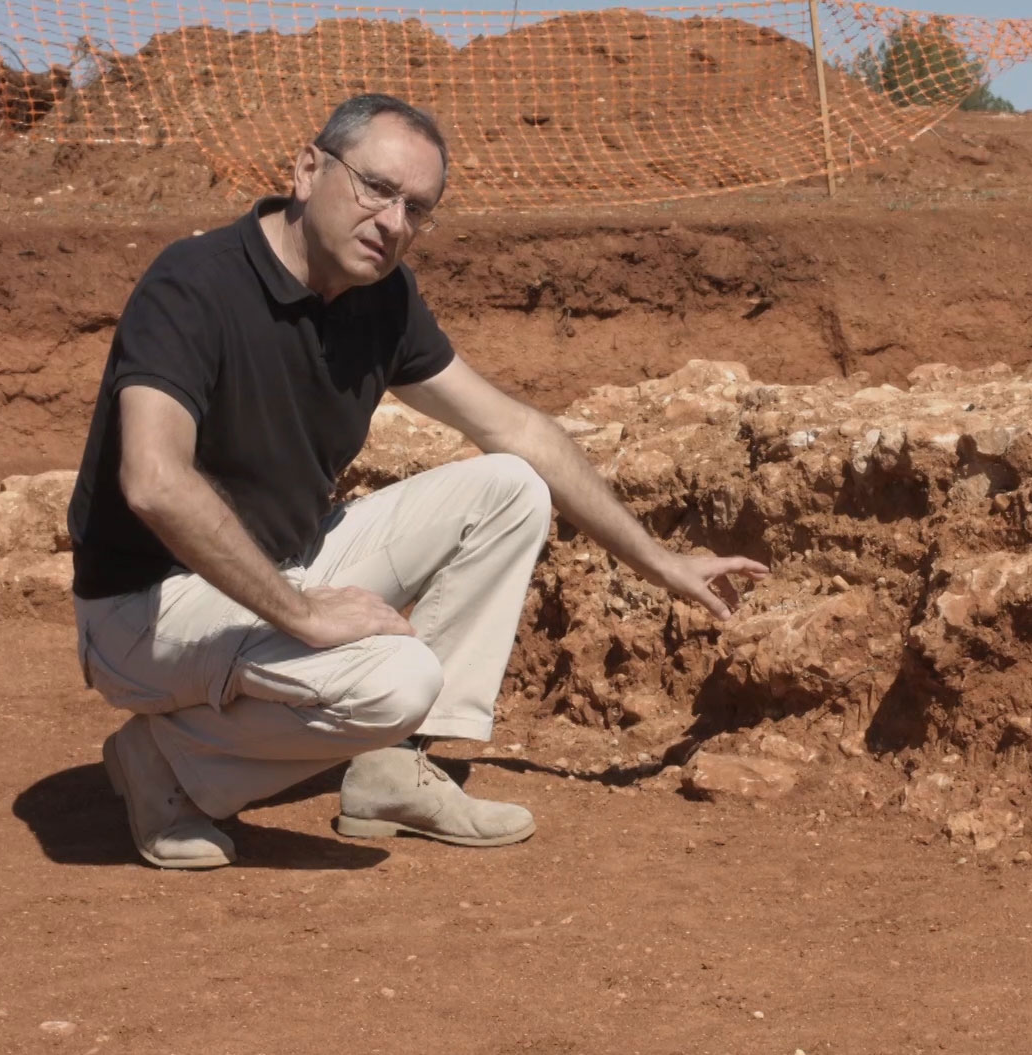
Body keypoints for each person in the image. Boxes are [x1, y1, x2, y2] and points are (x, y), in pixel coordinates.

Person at [66, 93, 768, 869]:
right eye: (376, 188)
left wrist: (662, 562)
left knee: (509, 486)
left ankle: (391, 770)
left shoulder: (382, 298)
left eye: (417, 209)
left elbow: (519, 429)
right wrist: (301, 613)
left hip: (283, 564)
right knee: (400, 681)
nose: (394, 223)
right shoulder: (194, 283)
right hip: (144, 608)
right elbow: (155, 481)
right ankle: (166, 763)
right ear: (307, 169)